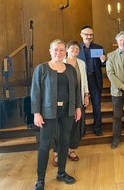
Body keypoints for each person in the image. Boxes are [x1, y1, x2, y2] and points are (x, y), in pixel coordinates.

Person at [31, 39, 81, 190]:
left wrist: (77, 107)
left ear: (65, 52)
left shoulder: (70, 69)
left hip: (67, 111)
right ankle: (40, 179)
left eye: (61, 50)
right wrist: (36, 113)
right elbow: (35, 92)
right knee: (45, 145)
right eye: (55, 50)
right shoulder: (42, 69)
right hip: (47, 112)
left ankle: (61, 173)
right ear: (50, 51)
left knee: (65, 141)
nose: (58, 53)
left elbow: (76, 89)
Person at [52, 41, 90, 166]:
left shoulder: (81, 63)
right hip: (63, 100)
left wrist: (86, 94)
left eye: (77, 48)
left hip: (77, 99)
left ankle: (69, 149)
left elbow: (84, 81)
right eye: (72, 48)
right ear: (67, 50)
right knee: (59, 127)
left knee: (74, 125)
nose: (75, 50)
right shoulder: (59, 62)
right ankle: (57, 153)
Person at [78, 26, 106, 136]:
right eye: (86, 34)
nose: (89, 37)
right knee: (82, 106)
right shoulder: (77, 49)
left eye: (91, 35)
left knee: (97, 106)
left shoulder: (98, 48)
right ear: (81, 34)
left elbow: (103, 65)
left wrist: (104, 61)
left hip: (95, 79)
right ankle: (81, 129)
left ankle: (97, 128)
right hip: (82, 80)